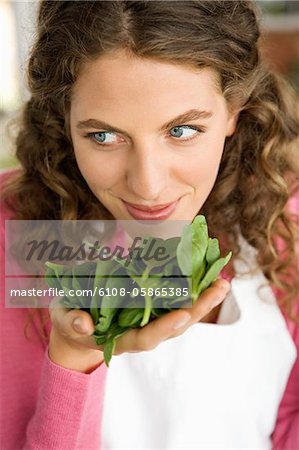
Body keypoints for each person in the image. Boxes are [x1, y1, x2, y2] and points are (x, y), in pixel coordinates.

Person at [0, 1, 298, 449]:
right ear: (65, 117)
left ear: (234, 108)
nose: (148, 186)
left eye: (182, 131)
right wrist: (75, 354)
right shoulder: (13, 234)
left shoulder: (284, 219)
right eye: (104, 136)